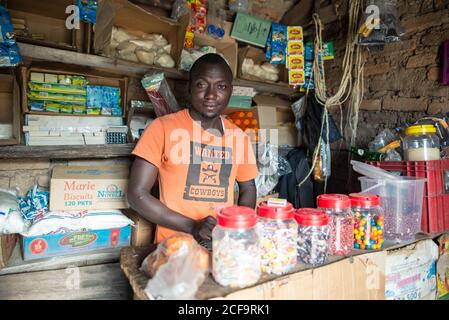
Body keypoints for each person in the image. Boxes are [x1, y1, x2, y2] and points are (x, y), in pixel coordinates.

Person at [128, 53, 259, 246]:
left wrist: (236, 229)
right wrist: (192, 226)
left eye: (221, 86)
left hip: (221, 249)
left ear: (230, 91)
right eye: (202, 84)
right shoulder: (162, 128)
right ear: (189, 88)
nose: (211, 95)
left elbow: (248, 188)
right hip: (174, 249)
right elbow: (136, 194)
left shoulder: (238, 137)